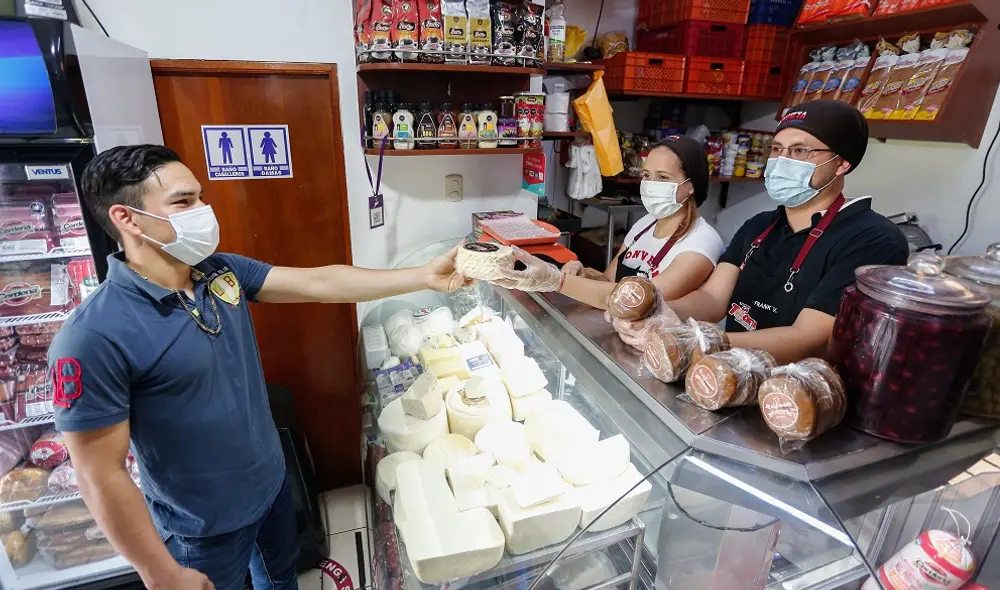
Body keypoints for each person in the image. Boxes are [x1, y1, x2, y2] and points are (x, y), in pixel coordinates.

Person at [47, 145, 472, 590]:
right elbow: (99, 474)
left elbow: (318, 282)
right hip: (202, 529)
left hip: (270, 487)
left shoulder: (220, 273)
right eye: (184, 202)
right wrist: (159, 571)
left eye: (201, 197)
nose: (203, 211)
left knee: (280, 579)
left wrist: (423, 275)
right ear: (127, 218)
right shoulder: (92, 335)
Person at [612, 100, 909, 364]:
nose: (782, 160)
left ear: (842, 163)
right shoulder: (759, 226)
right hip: (731, 372)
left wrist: (698, 341)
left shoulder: (873, 239)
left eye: (800, 150)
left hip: (800, 391)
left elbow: (808, 337)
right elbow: (713, 298)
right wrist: (659, 314)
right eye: (777, 149)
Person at [494, 136, 724, 309]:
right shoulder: (646, 224)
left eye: (662, 177)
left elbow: (634, 301)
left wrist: (555, 280)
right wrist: (584, 274)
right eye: (646, 175)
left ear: (691, 185)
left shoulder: (701, 243)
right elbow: (608, 279)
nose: (650, 184)